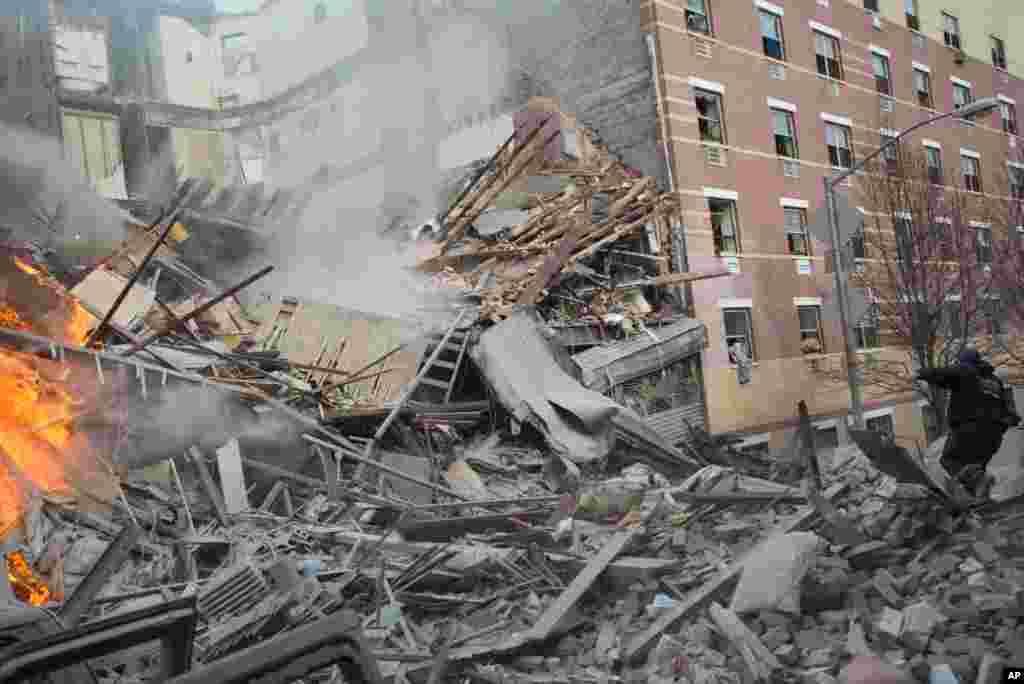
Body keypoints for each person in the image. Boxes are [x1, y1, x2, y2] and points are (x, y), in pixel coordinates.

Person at [916, 349, 1021, 498]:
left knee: (949, 460)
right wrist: (1008, 421)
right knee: (974, 470)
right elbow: (1006, 409)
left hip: (969, 430)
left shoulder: (966, 370)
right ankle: (981, 499)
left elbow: (944, 374)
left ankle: (980, 483)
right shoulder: (994, 381)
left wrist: (923, 373)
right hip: (993, 437)